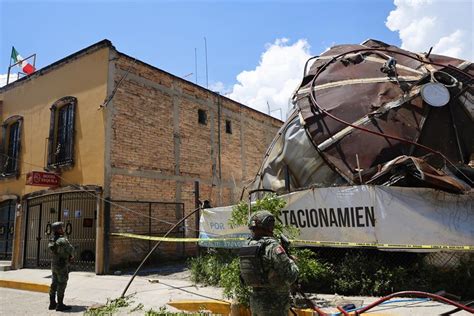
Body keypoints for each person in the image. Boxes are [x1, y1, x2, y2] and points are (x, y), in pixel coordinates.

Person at [239, 210, 299, 316]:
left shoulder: (247, 245)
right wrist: (292, 261)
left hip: (256, 304)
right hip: (274, 305)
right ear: (270, 226)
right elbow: (290, 275)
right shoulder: (272, 247)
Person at [48, 222, 74, 311]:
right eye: (62, 227)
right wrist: (71, 254)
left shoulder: (52, 239)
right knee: (62, 284)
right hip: (62, 266)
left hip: (54, 264)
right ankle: (60, 305)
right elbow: (72, 251)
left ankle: (52, 303)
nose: (63, 229)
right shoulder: (63, 240)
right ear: (59, 229)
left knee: (54, 283)